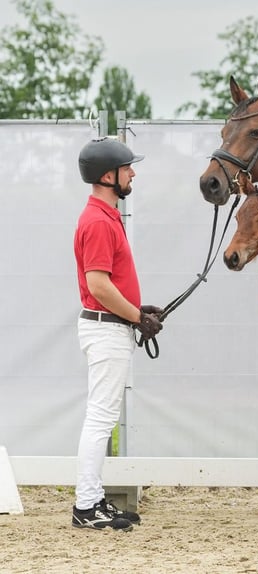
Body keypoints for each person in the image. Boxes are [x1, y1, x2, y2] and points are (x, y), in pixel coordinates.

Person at [72, 137, 164, 531]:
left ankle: (92, 501)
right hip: (106, 330)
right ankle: (87, 506)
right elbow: (99, 285)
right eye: (128, 168)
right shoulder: (96, 221)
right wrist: (136, 318)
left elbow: (111, 286)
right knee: (100, 419)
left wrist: (137, 312)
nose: (133, 173)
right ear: (108, 176)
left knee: (101, 417)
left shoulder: (106, 217)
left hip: (112, 326)